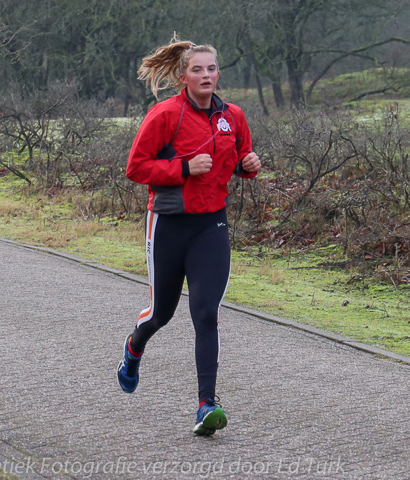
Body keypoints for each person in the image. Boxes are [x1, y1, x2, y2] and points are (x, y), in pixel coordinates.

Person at [116, 36, 261, 436]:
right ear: (183, 76)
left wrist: (249, 165)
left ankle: (206, 405)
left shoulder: (233, 116)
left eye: (211, 69)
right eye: (197, 69)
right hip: (168, 224)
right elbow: (135, 168)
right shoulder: (164, 115)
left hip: (210, 225)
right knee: (162, 313)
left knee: (205, 313)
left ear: (219, 74)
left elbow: (238, 161)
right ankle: (133, 349)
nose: (206, 75)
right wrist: (182, 168)